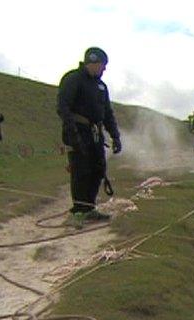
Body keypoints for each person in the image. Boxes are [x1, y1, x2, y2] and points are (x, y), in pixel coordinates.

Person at [56, 47, 121, 228]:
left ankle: (89, 208)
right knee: (80, 171)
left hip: (95, 134)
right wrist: (72, 135)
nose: (104, 69)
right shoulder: (73, 79)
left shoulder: (101, 86)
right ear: (93, 62)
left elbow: (107, 113)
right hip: (77, 130)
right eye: (103, 65)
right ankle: (78, 210)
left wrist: (115, 136)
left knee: (98, 169)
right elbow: (63, 108)